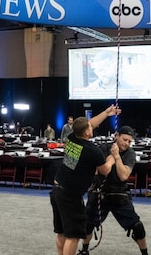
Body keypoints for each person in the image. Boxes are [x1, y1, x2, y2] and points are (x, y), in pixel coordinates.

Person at [50, 105, 120, 255]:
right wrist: (113, 157)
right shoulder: (92, 150)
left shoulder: (72, 138)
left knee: (61, 232)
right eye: (89, 126)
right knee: (73, 236)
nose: (92, 126)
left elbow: (91, 124)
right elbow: (105, 170)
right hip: (70, 196)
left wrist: (106, 113)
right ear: (87, 132)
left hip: (57, 190)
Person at [79, 126, 149, 255]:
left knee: (137, 226)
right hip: (99, 192)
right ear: (116, 136)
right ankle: (84, 250)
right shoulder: (103, 148)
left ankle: (145, 253)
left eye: (129, 141)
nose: (127, 143)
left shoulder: (130, 153)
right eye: (124, 139)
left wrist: (116, 157)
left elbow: (123, 176)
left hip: (119, 194)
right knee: (87, 224)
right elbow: (97, 169)